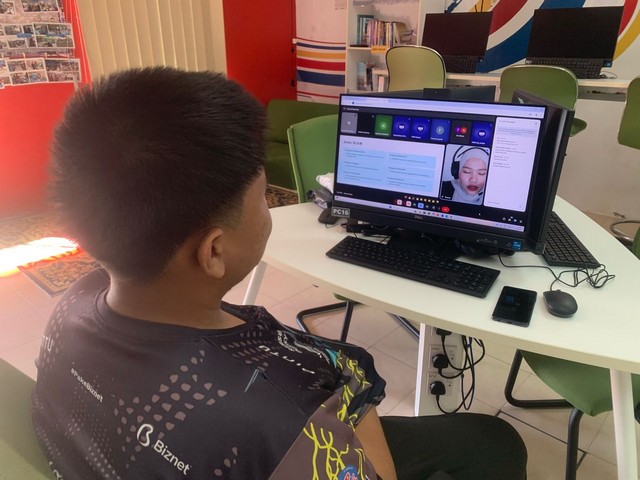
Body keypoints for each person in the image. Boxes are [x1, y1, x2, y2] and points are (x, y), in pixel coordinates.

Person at [32, 67, 526, 480]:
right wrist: (352, 393)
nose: (270, 212)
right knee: (493, 441)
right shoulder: (287, 411)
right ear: (214, 251)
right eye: (263, 200)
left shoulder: (75, 301)